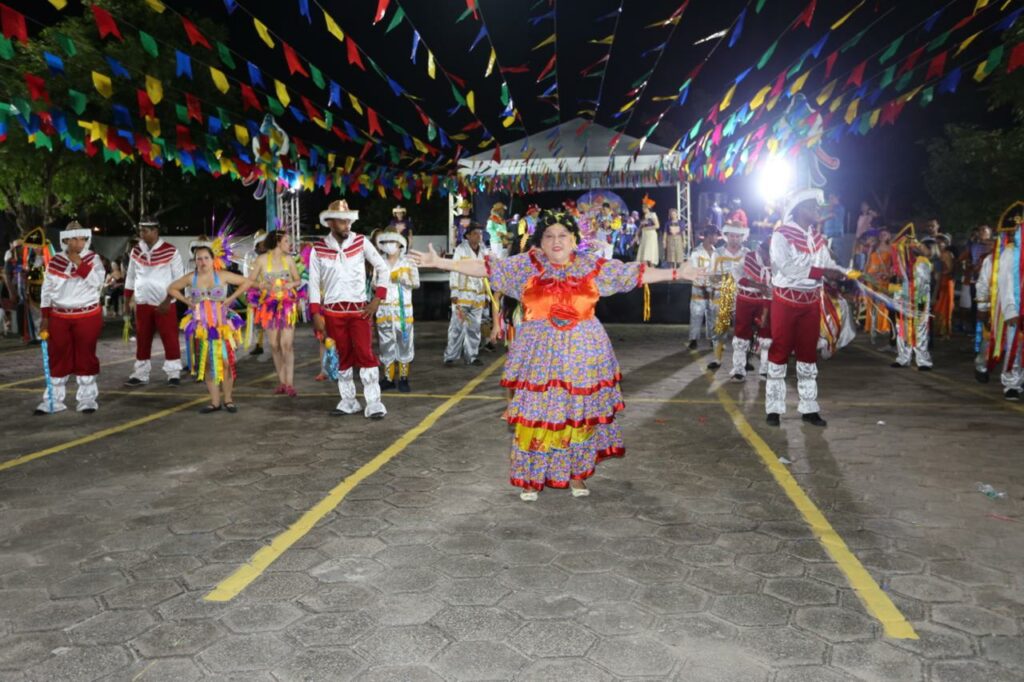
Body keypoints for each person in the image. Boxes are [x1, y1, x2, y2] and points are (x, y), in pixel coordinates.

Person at [410, 209, 704, 501]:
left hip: (583, 354)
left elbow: (635, 273)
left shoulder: (593, 266)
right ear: (540, 242)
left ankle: (577, 473)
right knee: (535, 415)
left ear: (575, 240)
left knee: (578, 414)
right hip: (538, 355)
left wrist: (679, 272)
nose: (556, 241)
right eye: (549, 236)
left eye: (563, 235)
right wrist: (440, 262)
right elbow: (487, 268)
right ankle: (531, 478)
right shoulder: (526, 265)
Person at [765, 188, 859, 427]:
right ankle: (774, 408)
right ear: (801, 210)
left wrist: (845, 274)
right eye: (814, 207)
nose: (819, 211)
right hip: (785, 302)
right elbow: (786, 268)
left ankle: (809, 408)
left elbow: (828, 265)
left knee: (808, 355)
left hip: (810, 302)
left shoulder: (817, 238)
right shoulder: (781, 236)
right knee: (779, 353)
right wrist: (822, 271)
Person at [309, 200, 390, 418]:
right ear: (330, 223)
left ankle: (374, 403)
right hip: (333, 313)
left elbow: (383, 268)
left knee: (365, 354)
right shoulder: (318, 249)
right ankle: (348, 400)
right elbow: (314, 284)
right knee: (342, 356)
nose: (347, 225)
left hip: (359, 312)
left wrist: (377, 299)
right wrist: (316, 314)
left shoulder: (361, 242)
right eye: (342, 221)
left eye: (349, 221)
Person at [168, 240, 249, 413]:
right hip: (202, 327)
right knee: (207, 364)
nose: (202, 262)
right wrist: (188, 302)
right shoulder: (192, 277)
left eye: (206, 258)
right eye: (199, 259)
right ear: (195, 261)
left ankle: (228, 400)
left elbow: (246, 282)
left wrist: (229, 299)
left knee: (226, 362)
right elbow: (172, 288)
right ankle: (215, 402)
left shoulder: (222, 276)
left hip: (222, 326)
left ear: (213, 260)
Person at [34, 222, 106, 415]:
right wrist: (45, 316)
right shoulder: (55, 261)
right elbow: (47, 290)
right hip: (59, 316)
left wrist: (78, 262)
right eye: (74, 238)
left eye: (82, 238)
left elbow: (97, 282)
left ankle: (87, 398)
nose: (78, 243)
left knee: (85, 356)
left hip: (87, 315)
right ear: (65, 240)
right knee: (58, 356)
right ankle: (53, 401)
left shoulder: (93, 259)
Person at [123, 217, 185, 387]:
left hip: (165, 304)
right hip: (142, 303)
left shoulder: (171, 251)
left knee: (170, 338)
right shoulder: (136, 251)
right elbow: (130, 278)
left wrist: (168, 300)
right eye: (141, 230)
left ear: (155, 231)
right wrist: (127, 303)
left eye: (145, 230)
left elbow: (179, 280)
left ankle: (173, 373)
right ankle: (141, 373)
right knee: (143, 339)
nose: (141, 233)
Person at [246, 230, 303, 395]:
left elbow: (298, 279)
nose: (289, 244)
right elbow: (251, 281)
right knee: (274, 345)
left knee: (287, 344)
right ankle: (282, 382)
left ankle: (290, 383)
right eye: (286, 241)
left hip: (287, 306)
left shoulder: (289, 260)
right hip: (269, 307)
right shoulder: (261, 260)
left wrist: (291, 285)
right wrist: (263, 286)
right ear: (278, 242)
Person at [374, 229, 420, 393]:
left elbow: (416, 283)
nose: (389, 246)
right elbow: (373, 284)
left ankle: (403, 378)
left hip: (403, 311)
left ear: (400, 244)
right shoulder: (379, 263)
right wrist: (382, 283)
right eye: (385, 242)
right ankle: (388, 378)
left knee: (404, 343)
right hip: (385, 311)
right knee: (386, 344)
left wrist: (404, 280)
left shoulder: (409, 262)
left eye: (392, 242)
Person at [444, 222, 488, 366]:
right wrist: (454, 291)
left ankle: (472, 356)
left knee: (474, 327)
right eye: (475, 233)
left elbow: (488, 273)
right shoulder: (461, 250)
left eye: (480, 233)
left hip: (478, 296)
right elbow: (454, 270)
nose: (478, 236)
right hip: (462, 295)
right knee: (456, 326)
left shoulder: (484, 251)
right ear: (468, 236)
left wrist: (487, 295)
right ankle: (450, 356)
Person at [707, 223, 749, 370]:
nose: (734, 239)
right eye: (732, 235)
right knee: (720, 329)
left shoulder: (747, 253)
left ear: (742, 237)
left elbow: (752, 276)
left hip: (743, 296)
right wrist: (726, 279)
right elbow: (711, 277)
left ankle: (743, 361)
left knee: (743, 329)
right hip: (723, 295)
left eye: (737, 236)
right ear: (726, 236)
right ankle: (717, 359)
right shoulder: (717, 253)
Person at [731, 239, 772, 381]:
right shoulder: (748, 258)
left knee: (766, 334)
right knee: (741, 334)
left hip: (764, 301)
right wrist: (755, 284)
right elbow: (736, 274)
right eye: (769, 253)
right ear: (762, 250)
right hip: (744, 299)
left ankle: (765, 370)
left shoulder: (777, 262)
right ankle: (739, 370)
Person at [891, 238, 933, 370]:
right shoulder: (900, 265)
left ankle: (923, 361)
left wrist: (920, 304)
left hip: (918, 301)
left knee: (920, 331)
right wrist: (896, 301)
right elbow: (897, 285)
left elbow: (923, 285)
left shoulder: (921, 262)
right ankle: (903, 358)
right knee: (902, 330)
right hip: (903, 302)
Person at [687, 226, 718, 350]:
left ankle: (712, 338)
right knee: (696, 313)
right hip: (699, 288)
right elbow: (693, 271)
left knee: (713, 314)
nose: (717, 238)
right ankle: (693, 339)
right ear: (709, 235)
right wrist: (703, 283)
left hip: (713, 288)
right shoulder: (696, 252)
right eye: (715, 235)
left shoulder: (717, 252)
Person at [865, 230, 895, 343]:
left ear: (889, 236)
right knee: (871, 304)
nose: (883, 235)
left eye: (886, 234)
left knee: (882, 304)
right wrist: (864, 275)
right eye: (881, 234)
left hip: (883, 279)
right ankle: (872, 329)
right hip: (871, 278)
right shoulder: (874, 247)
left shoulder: (891, 249)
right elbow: (867, 262)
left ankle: (881, 327)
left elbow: (893, 266)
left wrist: (888, 275)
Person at [245, 231, 269, 359]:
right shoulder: (250, 255)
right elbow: (246, 274)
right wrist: (247, 290)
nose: (264, 245)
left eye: (266, 242)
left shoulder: (271, 255)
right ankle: (258, 345)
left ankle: (276, 344)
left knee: (271, 320)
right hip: (255, 292)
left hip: (270, 292)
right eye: (262, 242)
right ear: (257, 244)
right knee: (257, 321)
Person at [933, 234, 956, 339]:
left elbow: (950, 269)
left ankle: (945, 331)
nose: (938, 244)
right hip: (939, 282)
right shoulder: (937, 254)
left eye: (940, 242)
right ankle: (938, 330)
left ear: (945, 243)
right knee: (938, 305)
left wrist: (940, 273)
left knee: (945, 306)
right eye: (936, 242)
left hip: (946, 283)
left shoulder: (947, 254)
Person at [636, 196, 661, 266]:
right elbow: (640, 227)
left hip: (651, 235)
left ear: (648, 207)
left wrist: (647, 228)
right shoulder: (644, 216)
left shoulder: (652, 214)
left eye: (644, 207)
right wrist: (637, 235)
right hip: (644, 235)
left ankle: (651, 268)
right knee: (644, 253)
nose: (643, 208)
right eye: (642, 207)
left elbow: (657, 226)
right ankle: (645, 268)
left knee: (649, 252)